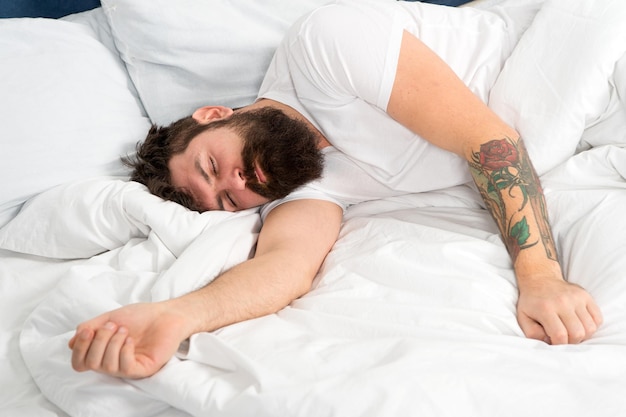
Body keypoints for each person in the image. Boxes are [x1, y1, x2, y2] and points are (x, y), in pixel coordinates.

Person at [69, 0, 602, 379]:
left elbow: (491, 143)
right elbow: (283, 268)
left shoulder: (322, 47)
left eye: (212, 165)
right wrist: (176, 316)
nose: (236, 183)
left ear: (213, 116)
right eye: (229, 201)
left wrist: (541, 278)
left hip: (587, 55)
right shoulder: (304, 189)